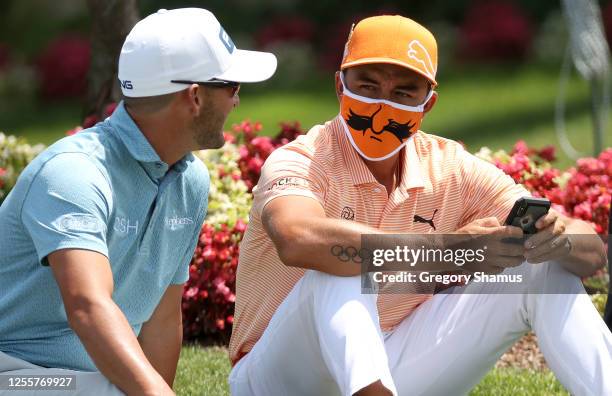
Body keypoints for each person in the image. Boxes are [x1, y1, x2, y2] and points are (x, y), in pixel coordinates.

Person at [228, 15, 611, 396]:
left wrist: (558, 241)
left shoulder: (449, 167)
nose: (382, 105)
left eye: (403, 93)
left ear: (427, 104)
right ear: (339, 87)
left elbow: (591, 252)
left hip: (393, 363)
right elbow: (297, 238)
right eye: (368, 86)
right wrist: (448, 251)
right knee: (342, 264)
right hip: (278, 378)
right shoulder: (302, 158)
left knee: (542, 272)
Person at [0, 8, 276, 396]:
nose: (237, 101)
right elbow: (88, 307)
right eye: (231, 86)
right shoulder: (73, 173)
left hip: (94, 384)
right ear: (194, 96)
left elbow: (163, 317)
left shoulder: (190, 179)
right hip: (20, 374)